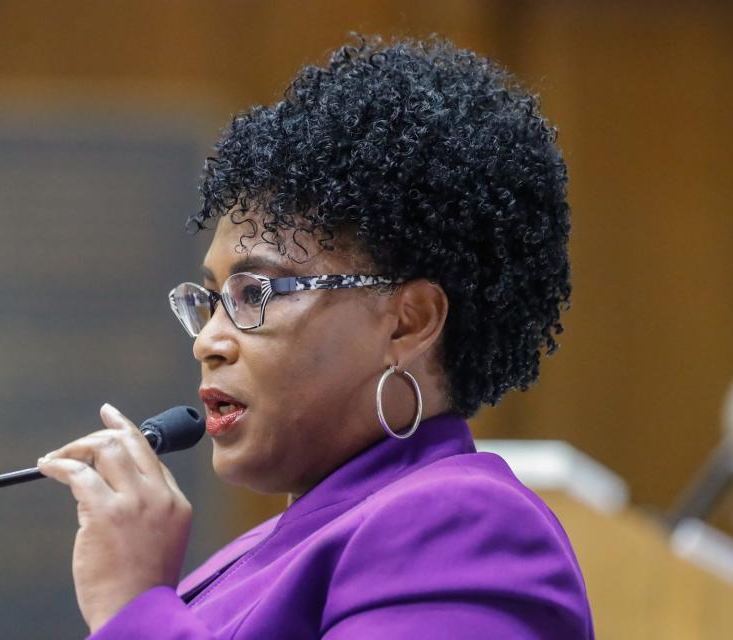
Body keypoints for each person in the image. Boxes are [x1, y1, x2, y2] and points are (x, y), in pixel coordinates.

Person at [38, 35, 593, 638]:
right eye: (212, 299)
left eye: (256, 294)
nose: (209, 342)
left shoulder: (464, 526)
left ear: (408, 322)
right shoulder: (266, 548)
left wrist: (136, 607)